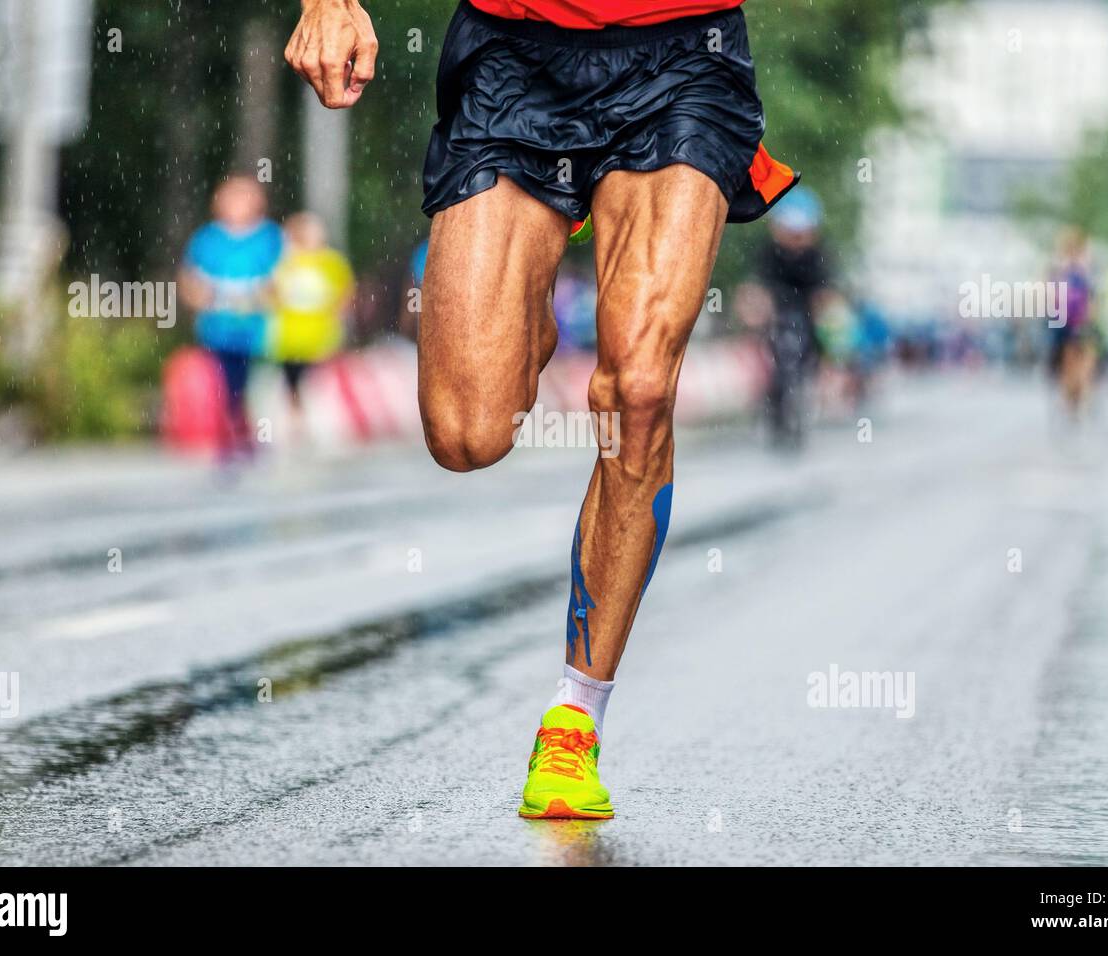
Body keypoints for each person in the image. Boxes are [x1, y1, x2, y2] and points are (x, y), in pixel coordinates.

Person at [286, 0, 798, 819]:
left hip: (683, 54)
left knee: (637, 389)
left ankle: (574, 721)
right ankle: (537, 296)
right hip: (512, 53)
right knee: (465, 432)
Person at [179, 176, 284, 461]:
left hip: (257, 331)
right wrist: (203, 297)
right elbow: (190, 280)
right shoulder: (207, 239)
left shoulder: (270, 237)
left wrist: (262, 295)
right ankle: (230, 433)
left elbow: (283, 277)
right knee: (225, 383)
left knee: (255, 382)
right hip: (218, 329)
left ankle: (252, 433)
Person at [269, 212, 354, 443]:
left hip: (321, 335)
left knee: (319, 382)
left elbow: (346, 292)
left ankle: (326, 423)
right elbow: (273, 294)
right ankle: (298, 423)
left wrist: (338, 320)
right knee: (293, 382)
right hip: (291, 337)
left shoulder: (331, 262)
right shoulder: (286, 263)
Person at [756, 186, 830, 446]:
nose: (795, 238)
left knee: (809, 359)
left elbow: (825, 289)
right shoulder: (769, 252)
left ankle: (802, 403)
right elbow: (758, 286)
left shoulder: (817, 255)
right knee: (776, 360)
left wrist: (825, 311)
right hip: (779, 313)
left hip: (807, 316)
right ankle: (775, 413)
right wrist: (759, 305)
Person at [1048, 228, 1096, 417]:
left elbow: (1049, 297)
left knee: (1066, 363)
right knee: (1085, 359)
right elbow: (1091, 300)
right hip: (1080, 323)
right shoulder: (1084, 270)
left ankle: (1067, 397)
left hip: (1059, 322)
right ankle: (1079, 396)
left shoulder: (1058, 269)